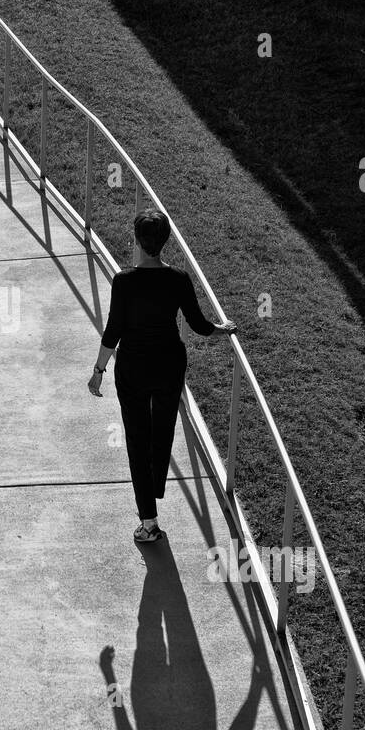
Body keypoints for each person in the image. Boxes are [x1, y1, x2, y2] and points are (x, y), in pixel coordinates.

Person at [88, 207, 236, 543]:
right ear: (165, 242)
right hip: (169, 365)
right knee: (162, 430)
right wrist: (222, 329)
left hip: (133, 371)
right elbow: (199, 326)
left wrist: (98, 371)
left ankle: (149, 522)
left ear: (137, 240)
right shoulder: (179, 279)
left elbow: (113, 331)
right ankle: (155, 488)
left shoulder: (124, 282)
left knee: (138, 443)